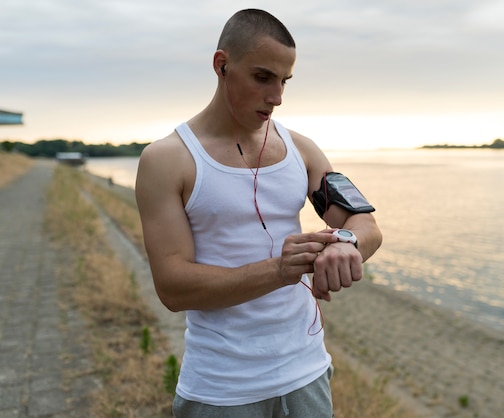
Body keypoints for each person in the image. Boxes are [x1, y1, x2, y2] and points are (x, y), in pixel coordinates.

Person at [135, 8, 382, 418]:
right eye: (263, 77)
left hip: (307, 374)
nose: (277, 97)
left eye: (284, 81)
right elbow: (173, 288)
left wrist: (346, 245)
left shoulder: (301, 150)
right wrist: (280, 270)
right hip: (222, 389)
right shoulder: (168, 160)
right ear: (222, 65)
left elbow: (365, 224)